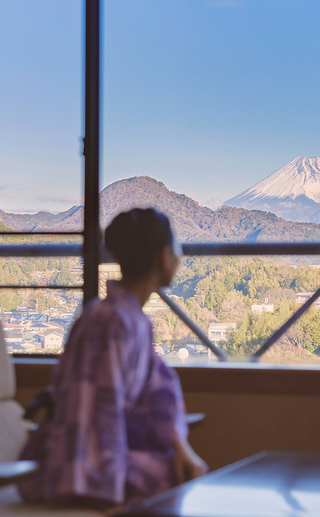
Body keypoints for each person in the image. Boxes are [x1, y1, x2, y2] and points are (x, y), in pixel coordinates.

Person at [17, 208, 208, 509]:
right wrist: (103, 495)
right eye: (176, 249)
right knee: (172, 483)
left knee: (182, 474)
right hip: (75, 464)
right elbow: (93, 410)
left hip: (101, 455)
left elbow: (158, 392)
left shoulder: (132, 320)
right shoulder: (109, 322)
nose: (179, 258)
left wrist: (180, 446)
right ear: (164, 257)